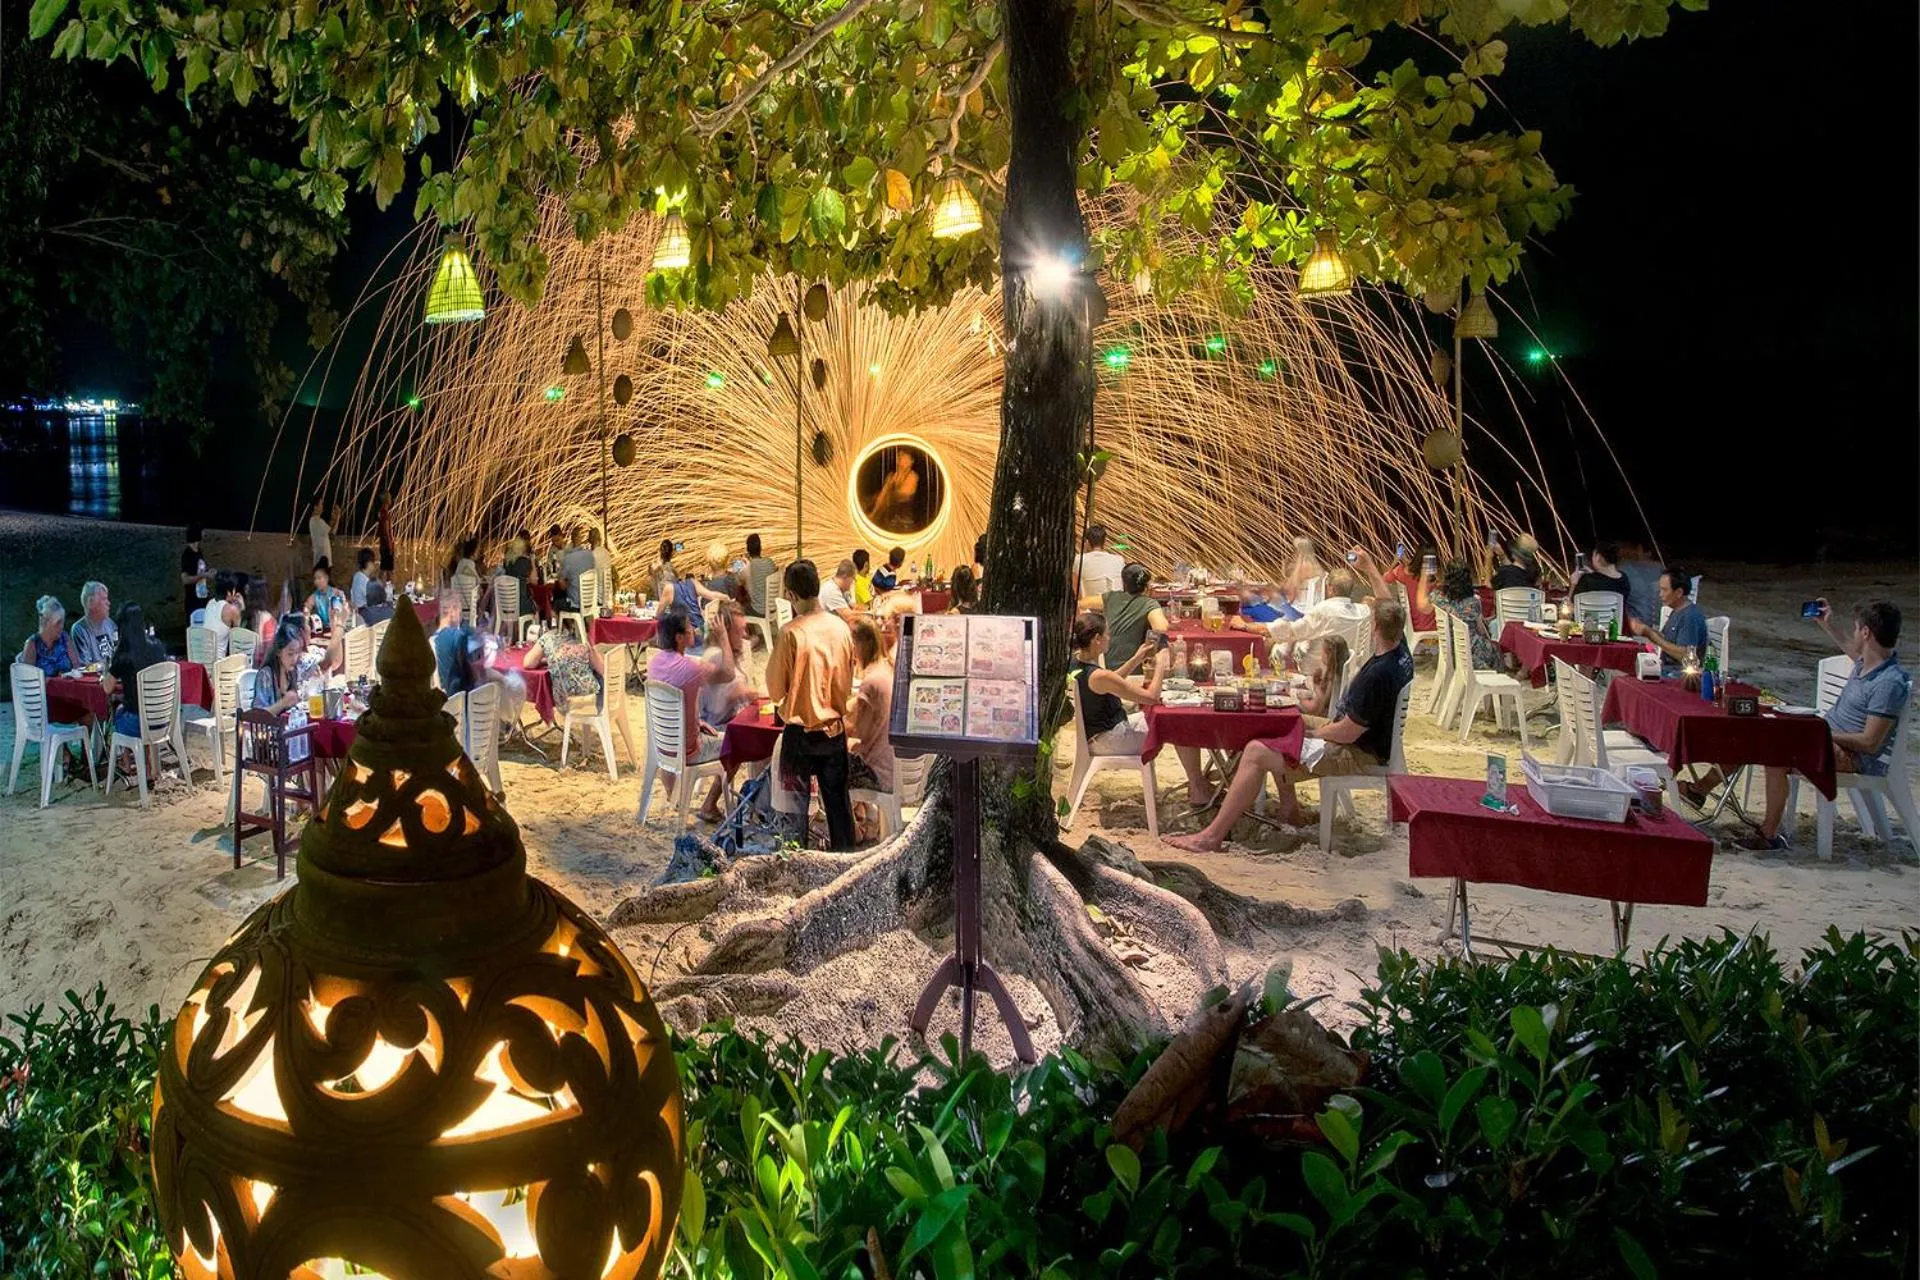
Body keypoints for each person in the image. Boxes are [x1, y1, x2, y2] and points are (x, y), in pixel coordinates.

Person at [1171, 600, 1414, 848]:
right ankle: (1290, 810)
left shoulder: (1378, 675)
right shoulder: (1400, 653)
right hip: (1363, 738)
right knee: (1280, 720)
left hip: (1359, 753)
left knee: (1256, 752)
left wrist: (1313, 734)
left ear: (1374, 626)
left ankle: (1211, 837)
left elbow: (1348, 733)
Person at [1737, 600, 1911, 851]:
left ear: (1866, 633)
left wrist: (1822, 732)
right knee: (1763, 727)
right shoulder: (1867, 663)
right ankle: (1704, 788)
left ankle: (1769, 834)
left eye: (1856, 628)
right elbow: (1850, 648)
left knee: (1776, 752)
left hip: (1852, 756)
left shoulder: (1888, 683)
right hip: (1825, 736)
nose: (1853, 634)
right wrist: (1827, 624)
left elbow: (1870, 743)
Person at [1070, 611, 1212, 803]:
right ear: (1097, 639)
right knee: (1178, 723)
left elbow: (1113, 681)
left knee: (1171, 719)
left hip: (1099, 733)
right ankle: (1198, 786)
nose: (1109, 638)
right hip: (1109, 739)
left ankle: (1198, 781)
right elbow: (1151, 698)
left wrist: (1137, 658)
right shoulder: (1098, 676)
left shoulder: (1077, 662)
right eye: (1107, 635)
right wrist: (1161, 665)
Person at [765, 560, 857, 850]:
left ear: (791, 596)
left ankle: (797, 865)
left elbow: (775, 688)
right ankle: (845, 863)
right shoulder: (841, 627)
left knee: (794, 813)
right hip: (834, 731)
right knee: (839, 810)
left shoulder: (791, 633)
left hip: (800, 735)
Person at [647, 611, 740, 814]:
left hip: (662, 745)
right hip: (689, 750)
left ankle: (674, 796)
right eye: (690, 629)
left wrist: (697, 722)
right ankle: (709, 805)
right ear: (679, 638)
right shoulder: (691, 668)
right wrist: (723, 636)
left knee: (708, 730)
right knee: (737, 746)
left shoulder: (654, 662)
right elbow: (729, 673)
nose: (694, 631)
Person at [1234, 564, 1373, 671]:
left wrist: (1246, 626)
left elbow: (1291, 631)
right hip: (1351, 677)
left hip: (1315, 676)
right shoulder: (1365, 612)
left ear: (1330, 588)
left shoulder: (1324, 609)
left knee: (1276, 646)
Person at [1629, 566, 1707, 675]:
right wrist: (1644, 630)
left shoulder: (1690, 617)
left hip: (1679, 674)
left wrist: (1651, 635)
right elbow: (1666, 639)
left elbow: (1685, 655)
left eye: (1664, 590)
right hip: (1667, 668)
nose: (1660, 594)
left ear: (1679, 592)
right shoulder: (1676, 611)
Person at [1090, 562, 1168, 669]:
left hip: (1106, 667)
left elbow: (1082, 603)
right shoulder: (1149, 603)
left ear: (1123, 582)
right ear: (1147, 585)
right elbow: (1161, 628)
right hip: (1132, 670)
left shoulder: (1110, 597)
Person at [1434, 563, 1500, 670]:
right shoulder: (1473, 602)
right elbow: (1481, 630)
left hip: (1451, 651)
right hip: (1471, 653)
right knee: (1495, 649)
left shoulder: (1437, 599)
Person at [432, 590, 489, 696]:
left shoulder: (431, 640)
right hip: (463, 699)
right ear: (452, 611)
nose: (461, 615)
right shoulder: (457, 636)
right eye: (460, 611)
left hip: (443, 699)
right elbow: (475, 672)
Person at [1382, 545, 1436, 634]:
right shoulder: (1432, 580)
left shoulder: (1401, 571)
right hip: (1430, 626)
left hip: (1410, 623)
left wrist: (1396, 561)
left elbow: (1386, 578)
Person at [19, 595, 77, 678]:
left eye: (62, 622)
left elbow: (77, 667)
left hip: (67, 688)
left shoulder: (65, 638)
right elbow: (27, 678)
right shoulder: (32, 644)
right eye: (58, 623)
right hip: (42, 690)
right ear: (46, 623)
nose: (61, 627)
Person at [1570, 540, 1631, 616]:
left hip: (1590, 626)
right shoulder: (1623, 579)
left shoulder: (1587, 581)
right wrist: (1593, 574)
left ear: (1598, 557)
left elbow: (1570, 608)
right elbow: (1606, 582)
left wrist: (1573, 583)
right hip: (1614, 626)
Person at [867, 449, 922, 532]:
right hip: (891, 516)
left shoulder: (913, 476)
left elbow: (905, 495)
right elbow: (882, 495)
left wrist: (889, 489)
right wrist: (873, 513)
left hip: (905, 518)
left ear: (911, 462)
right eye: (899, 456)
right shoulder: (892, 476)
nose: (900, 459)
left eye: (904, 457)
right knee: (874, 498)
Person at [1618, 539, 1665, 629]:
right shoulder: (1660, 567)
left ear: (1639, 549)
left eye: (1625, 547)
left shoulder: (1625, 568)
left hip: (1635, 626)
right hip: (1658, 625)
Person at [69, 581, 117, 668]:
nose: (108, 603)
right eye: (104, 599)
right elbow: (85, 666)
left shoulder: (110, 623)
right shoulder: (79, 629)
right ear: (90, 602)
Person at [1072, 524, 1126, 599]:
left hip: (1090, 608)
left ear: (1087, 542)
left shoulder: (1078, 560)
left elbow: (1076, 590)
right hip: (1116, 607)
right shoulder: (1119, 560)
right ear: (1105, 541)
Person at [500, 533, 537, 616]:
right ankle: (533, 628)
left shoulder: (507, 563)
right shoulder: (524, 562)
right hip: (521, 605)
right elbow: (534, 581)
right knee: (537, 606)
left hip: (507, 604)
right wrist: (533, 561)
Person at [306, 563, 349, 633]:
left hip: (339, 629)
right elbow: (306, 609)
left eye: (319, 578)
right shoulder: (314, 596)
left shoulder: (337, 593)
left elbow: (342, 614)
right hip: (323, 631)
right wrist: (306, 614)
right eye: (315, 579)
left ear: (326, 578)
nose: (316, 581)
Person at [744, 533, 779, 617]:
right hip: (772, 608)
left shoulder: (747, 565)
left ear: (747, 550)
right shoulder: (770, 562)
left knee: (739, 607)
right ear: (760, 548)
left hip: (758, 611)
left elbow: (736, 579)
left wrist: (743, 560)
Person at [1282, 536, 1324, 605]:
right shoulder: (1312, 562)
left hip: (1304, 603)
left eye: (1294, 548)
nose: (1293, 552)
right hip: (1311, 599)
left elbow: (1292, 585)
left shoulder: (1305, 564)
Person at [181, 525, 212, 617]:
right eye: (202, 532)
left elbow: (199, 571)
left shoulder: (199, 551)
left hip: (202, 597)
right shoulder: (187, 555)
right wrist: (204, 575)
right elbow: (185, 579)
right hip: (193, 600)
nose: (204, 534)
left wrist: (208, 573)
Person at [306, 498, 333, 573]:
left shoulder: (318, 521)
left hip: (322, 562)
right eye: (321, 504)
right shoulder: (316, 521)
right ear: (315, 507)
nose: (322, 507)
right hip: (321, 562)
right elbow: (332, 531)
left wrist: (336, 518)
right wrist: (336, 516)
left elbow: (331, 530)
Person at [588, 527, 614, 595]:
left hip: (595, 595)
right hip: (606, 594)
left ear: (591, 541)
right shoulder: (607, 553)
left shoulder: (591, 555)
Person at [376, 492, 396, 575]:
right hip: (386, 546)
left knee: (385, 569)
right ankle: (387, 586)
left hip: (383, 545)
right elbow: (386, 532)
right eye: (390, 498)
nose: (391, 500)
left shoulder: (381, 512)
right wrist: (390, 545)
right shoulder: (385, 514)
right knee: (387, 570)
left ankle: (386, 586)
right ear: (387, 500)